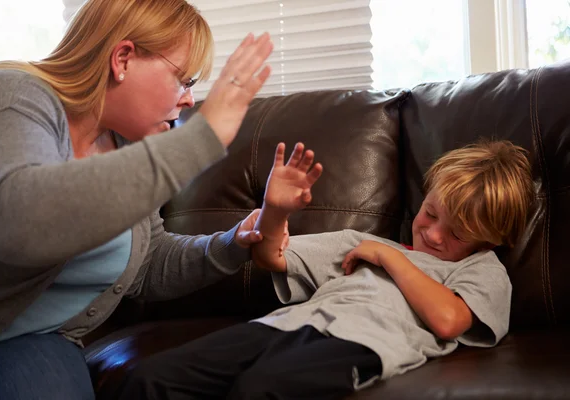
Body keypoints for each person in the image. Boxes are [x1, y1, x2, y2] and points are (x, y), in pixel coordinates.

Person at [0, 0, 281, 399]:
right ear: (122, 59)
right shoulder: (13, 96)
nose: (188, 100)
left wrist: (232, 243)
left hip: (38, 343)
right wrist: (202, 138)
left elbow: (147, 263)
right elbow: (14, 220)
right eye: (183, 80)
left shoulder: (123, 144)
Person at [117, 139, 535, 400]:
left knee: (259, 389)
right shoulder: (361, 245)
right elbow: (270, 257)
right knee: (150, 379)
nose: (435, 235)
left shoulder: (482, 269)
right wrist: (275, 213)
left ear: (490, 239)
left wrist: (391, 258)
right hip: (283, 325)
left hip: (364, 343)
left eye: (458, 234)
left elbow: (447, 321)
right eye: (430, 213)